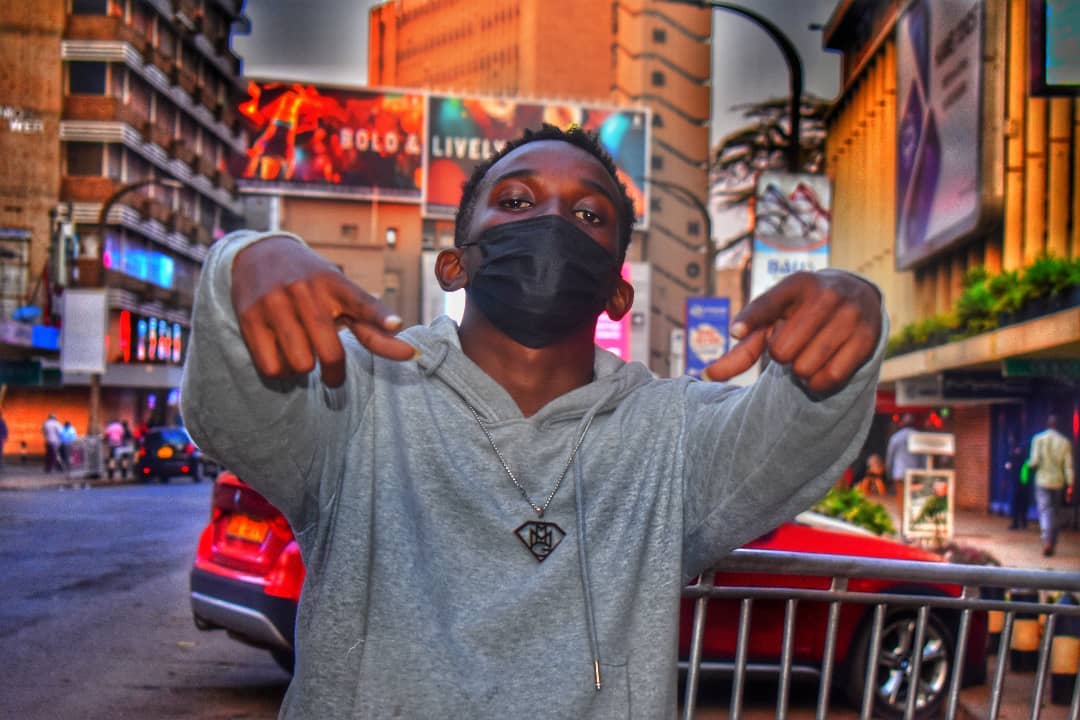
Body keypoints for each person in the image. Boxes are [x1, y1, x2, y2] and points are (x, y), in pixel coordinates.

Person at [182, 125, 886, 718]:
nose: (552, 221)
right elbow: (231, 418)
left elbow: (792, 441)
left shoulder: (670, 434)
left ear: (617, 294)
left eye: (589, 215)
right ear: (454, 266)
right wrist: (244, 261)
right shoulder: (360, 397)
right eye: (517, 201)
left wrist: (852, 315)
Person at [1028, 414, 1075, 556]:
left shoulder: (1038, 439)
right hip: (1058, 482)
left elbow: (1034, 461)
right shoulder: (1065, 442)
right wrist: (1070, 484)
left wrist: (1027, 466)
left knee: (1045, 511)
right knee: (1055, 512)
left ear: (1047, 424)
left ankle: (1047, 540)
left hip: (1042, 480)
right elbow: (1068, 466)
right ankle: (1053, 542)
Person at [885, 413, 925, 496]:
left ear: (902, 423)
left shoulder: (896, 437)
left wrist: (888, 474)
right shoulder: (920, 437)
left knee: (901, 496)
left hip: (899, 473)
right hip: (916, 473)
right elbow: (923, 458)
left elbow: (890, 457)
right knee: (913, 498)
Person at [1004, 431, 1030, 530]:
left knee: (1016, 500)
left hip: (1018, 478)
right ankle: (1023, 522)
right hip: (1025, 478)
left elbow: (1015, 463)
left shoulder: (1017, 448)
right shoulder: (1024, 447)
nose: (1010, 439)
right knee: (1023, 500)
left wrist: (1010, 465)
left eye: (1011, 437)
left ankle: (1016, 523)